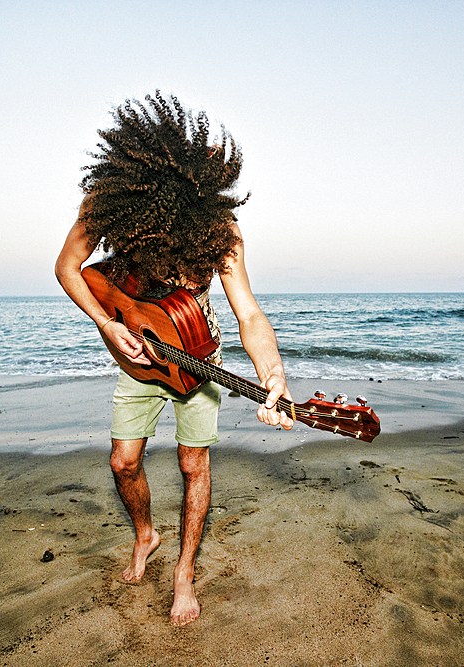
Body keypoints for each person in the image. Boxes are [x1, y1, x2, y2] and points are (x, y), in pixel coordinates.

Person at [55, 92, 294, 626]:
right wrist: (109, 324)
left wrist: (272, 374)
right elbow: (68, 268)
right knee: (123, 462)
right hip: (138, 357)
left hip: (199, 357)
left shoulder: (218, 229)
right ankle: (146, 533)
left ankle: (185, 570)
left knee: (194, 464)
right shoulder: (108, 209)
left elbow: (249, 315)